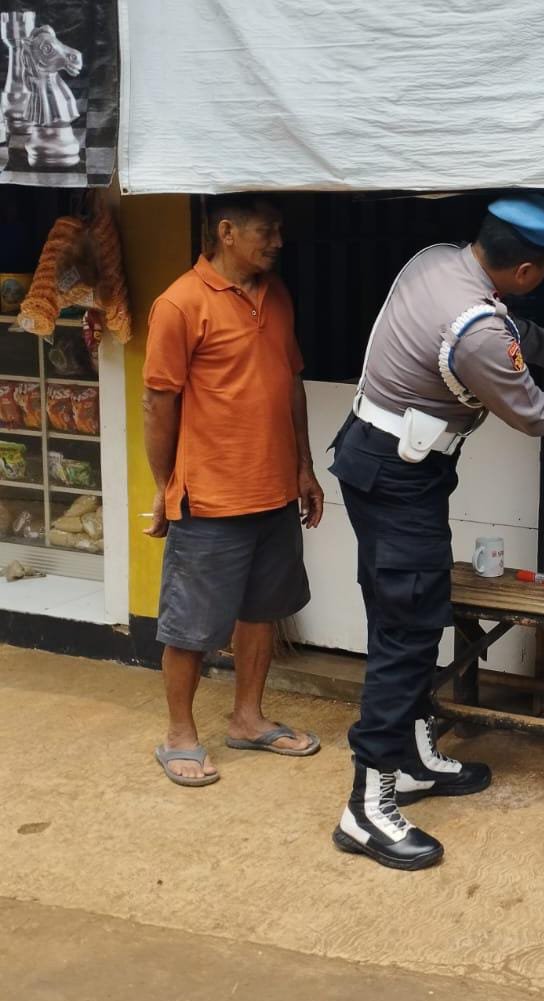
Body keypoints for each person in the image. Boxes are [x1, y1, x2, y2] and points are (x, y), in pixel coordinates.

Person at [330, 194, 544, 870]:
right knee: (405, 631)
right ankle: (367, 805)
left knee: (411, 615)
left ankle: (412, 756)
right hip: (397, 476)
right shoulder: (472, 329)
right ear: (528, 270)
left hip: (381, 462)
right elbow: (534, 410)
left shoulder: (440, 263)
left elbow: (509, 333)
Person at [143, 194, 325, 788]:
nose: (277, 242)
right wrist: (164, 485)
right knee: (190, 626)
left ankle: (248, 719)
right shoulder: (179, 303)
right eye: (265, 232)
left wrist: (303, 468)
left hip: (274, 491)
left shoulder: (276, 296)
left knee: (262, 611)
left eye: (278, 231)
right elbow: (157, 404)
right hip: (211, 497)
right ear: (225, 233)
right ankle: (178, 737)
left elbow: (290, 384)